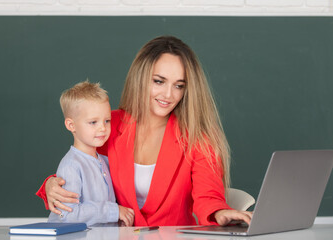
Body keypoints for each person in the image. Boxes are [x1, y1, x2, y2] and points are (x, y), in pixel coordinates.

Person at [37, 36, 252, 226]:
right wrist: (51, 185)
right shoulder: (108, 124)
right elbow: (83, 169)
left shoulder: (197, 137)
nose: (168, 94)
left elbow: (209, 196)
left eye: (179, 85)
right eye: (159, 81)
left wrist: (219, 212)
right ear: (141, 78)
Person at [46, 81, 134, 226]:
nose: (102, 128)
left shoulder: (104, 160)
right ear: (71, 125)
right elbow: (68, 214)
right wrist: (114, 211)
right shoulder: (71, 166)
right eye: (93, 122)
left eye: (107, 121)